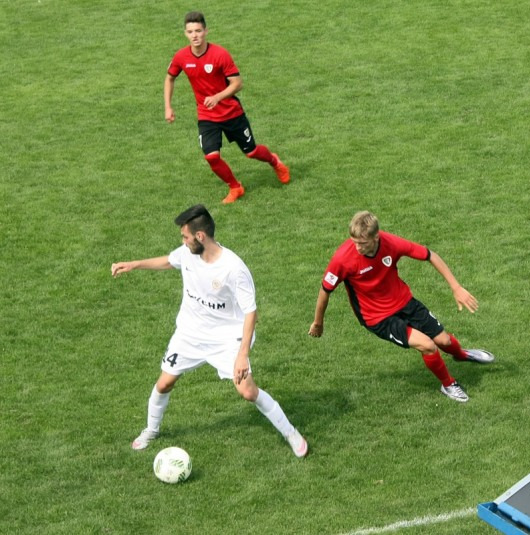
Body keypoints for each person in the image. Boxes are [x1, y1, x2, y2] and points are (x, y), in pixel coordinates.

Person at [111, 204, 307, 457]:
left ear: (200, 236)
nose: (183, 241)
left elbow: (251, 313)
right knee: (164, 383)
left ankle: (290, 432)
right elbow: (169, 261)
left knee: (248, 392)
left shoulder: (233, 269)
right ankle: (151, 430)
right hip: (189, 335)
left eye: (185, 237)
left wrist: (242, 355)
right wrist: (134, 264)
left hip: (226, 339)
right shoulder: (188, 253)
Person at [308, 211, 494, 403]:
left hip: (404, 302)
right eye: (354, 241)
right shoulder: (342, 259)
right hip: (378, 317)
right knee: (428, 345)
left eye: (362, 243)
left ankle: (462, 354)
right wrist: (318, 323)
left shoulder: (390, 243)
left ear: (376, 237)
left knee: (444, 341)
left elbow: (430, 255)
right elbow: (325, 291)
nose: (357, 247)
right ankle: (448, 384)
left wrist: (456, 287)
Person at [164, 11, 290, 204]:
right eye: (190, 32)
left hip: (232, 113)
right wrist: (168, 107)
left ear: (206, 31)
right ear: (185, 33)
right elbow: (170, 78)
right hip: (207, 116)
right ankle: (235, 187)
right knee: (211, 157)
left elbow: (237, 83)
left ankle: (274, 161)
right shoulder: (181, 56)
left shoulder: (220, 54)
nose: (195, 35)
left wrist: (217, 97)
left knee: (251, 152)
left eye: (198, 31)